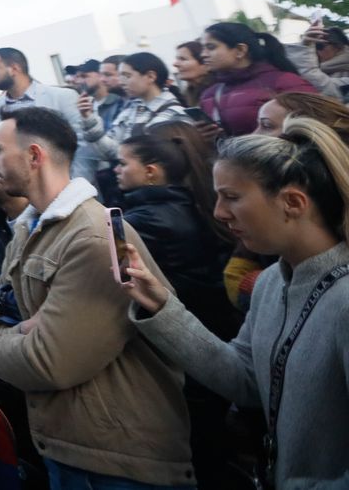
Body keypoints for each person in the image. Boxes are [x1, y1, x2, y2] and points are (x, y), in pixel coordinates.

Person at [123, 117, 349, 489]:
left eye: (232, 197)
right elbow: (245, 379)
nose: (219, 213)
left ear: (292, 202)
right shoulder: (271, 283)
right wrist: (164, 309)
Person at [0, 107, 194, 488]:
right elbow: (3, 315)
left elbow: (51, 361)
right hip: (70, 446)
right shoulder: (29, 229)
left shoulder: (92, 237)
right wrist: (21, 332)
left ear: (33, 156)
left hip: (119, 461)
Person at [113, 125, 239, 489]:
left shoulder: (146, 221)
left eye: (123, 163)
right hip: (206, 329)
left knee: (201, 440)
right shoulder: (181, 204)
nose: (116, 170)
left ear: (151, 171)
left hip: (187, 338)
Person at [0, 47, 108, 182]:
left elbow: (83, 146)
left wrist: (76, 185)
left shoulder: (62, 97)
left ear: (14, 68)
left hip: (70, 187)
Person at [199, 22, 318, 136]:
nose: (203, 54)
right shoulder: (209, 95)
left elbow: (317, 127)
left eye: (211, 47)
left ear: (240, 50)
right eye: (203, 48)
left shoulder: (286, 82)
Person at [111, 52, 190, 140]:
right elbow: (111, 146)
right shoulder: (131, 110)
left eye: (127, 76)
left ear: (150, 76)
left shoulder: (175, 114)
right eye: (120, 76)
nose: (121, 82)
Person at [285, 19, 349, 102]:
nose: (315, 50)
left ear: (338, 46)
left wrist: (305, 47)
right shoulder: (315, 65)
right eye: (313, 46)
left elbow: (324, 86)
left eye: (319, 46)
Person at [172, 41, 212, 109]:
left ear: (204, 65)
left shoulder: (219, 92)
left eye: (183, 59)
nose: (175, 64)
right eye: (177, 59)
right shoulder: (186, 95)